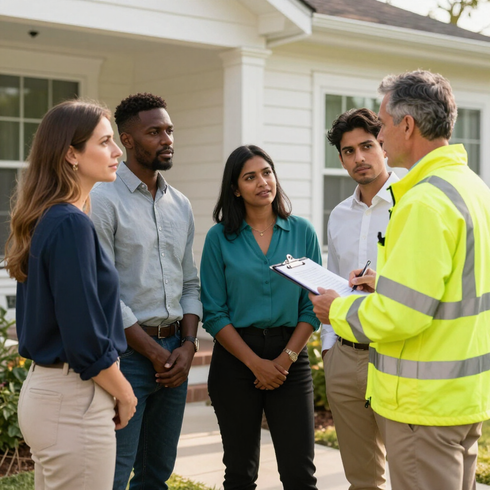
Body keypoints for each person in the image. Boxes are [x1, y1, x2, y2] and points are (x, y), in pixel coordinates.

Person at [310, 70, 490, 490]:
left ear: (406, 125)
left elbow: (402, 314)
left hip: (422, 404)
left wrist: (337, 309)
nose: (382, 136)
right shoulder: (473, 188)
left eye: (382, 123)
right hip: (463, 398)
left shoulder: (423, 200)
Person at [5, 100, 137, 489]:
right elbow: (85, 336)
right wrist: (125, 393)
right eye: (106, 142)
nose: (117, 152)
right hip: (73, 399)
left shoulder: (53, 219)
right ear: (70, 154)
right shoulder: (69, 224)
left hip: (52, 396)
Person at [90, 92, 202, 490]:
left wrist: (187, 345)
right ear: (128, 140)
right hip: (126, 357)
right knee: (115, 471)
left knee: (157, 471)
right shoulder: (102, 200)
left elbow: (189, 281)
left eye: (169, 130)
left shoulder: (181, 204)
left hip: (174, 352)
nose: (167, 139)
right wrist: (154, 352)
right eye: (154, 132)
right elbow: (104, 293)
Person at [200, 145, 320, 490]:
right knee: (239, 472)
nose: (262, 182)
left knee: (300, 474)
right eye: (250, 177)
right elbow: (214, 312)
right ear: (235, 188)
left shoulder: (302, 232)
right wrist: (255, 363)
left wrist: (285, 360)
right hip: (236, 360)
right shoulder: (219, 238)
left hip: (291, 356)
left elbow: (312, 307)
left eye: (266, 172)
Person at [322, 108, 397, 490]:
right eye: (348, 151)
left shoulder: (411, 203)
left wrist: (380, 284)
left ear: (383, 145)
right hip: (345, 358)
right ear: (340, 159)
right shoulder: (338, 216)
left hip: (396, 354)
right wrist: (329, 350)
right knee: (362, 479)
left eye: (366, 146)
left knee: (410, 474)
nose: (359, 158)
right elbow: (333, 281)